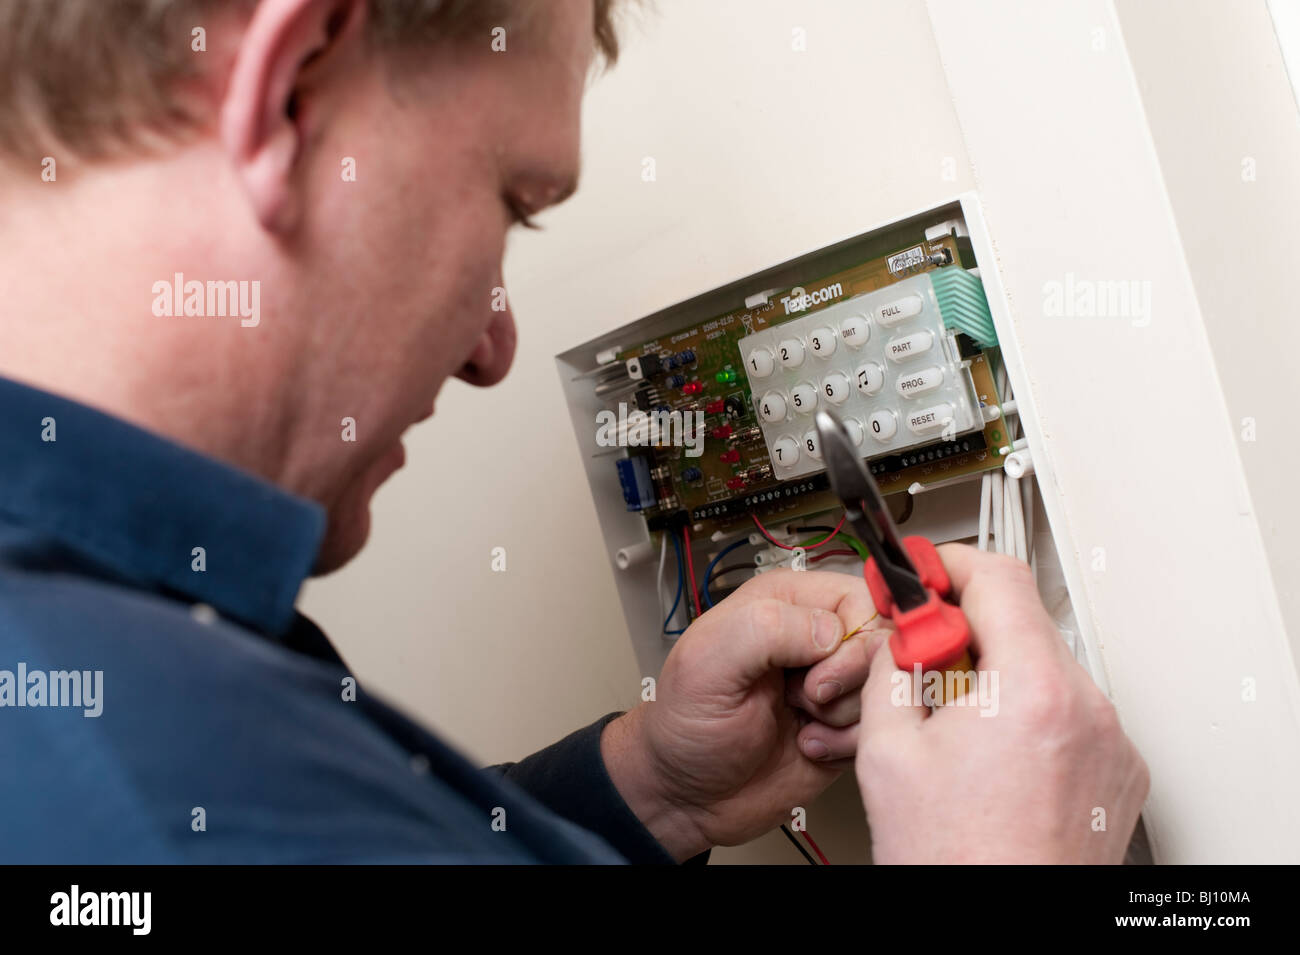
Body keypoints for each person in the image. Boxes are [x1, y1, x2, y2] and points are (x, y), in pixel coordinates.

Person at [0, 0, 1148, 864]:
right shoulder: (140, 781)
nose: (492, 350)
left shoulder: (124, 666)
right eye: (510, 202)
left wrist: (651, 790)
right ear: (291, 89)